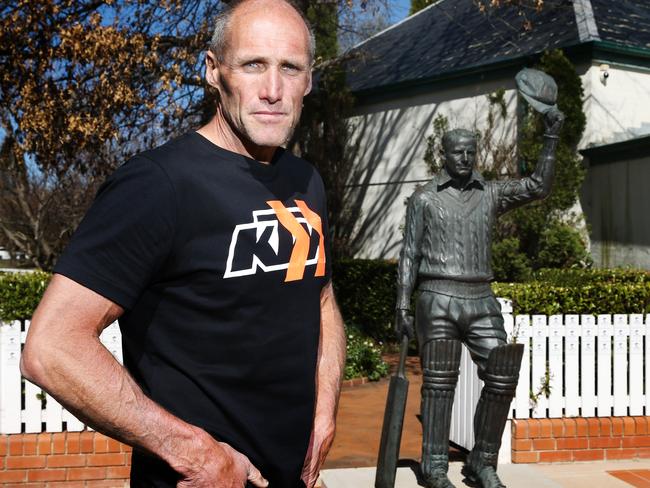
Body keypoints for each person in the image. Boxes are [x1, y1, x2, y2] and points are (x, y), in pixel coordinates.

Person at [20, 1, 346, 487]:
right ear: (214, 71)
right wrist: (197, 456)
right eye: (253, 65)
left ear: (309, 80)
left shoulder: (305, 181)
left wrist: (323, 414)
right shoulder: (159, 185)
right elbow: (52, 348)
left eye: (290, 68)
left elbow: (320, 299)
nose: (273, 90)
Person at [395, 107, 564, 488]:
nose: (466, 158)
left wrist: (550, 138)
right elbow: (409, 253)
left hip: (481, 297)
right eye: (459, 152)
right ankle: (435, 466)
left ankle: (482, 462)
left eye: (471, 152)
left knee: (502, 376)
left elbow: (538, 185)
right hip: (436, 296)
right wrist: (402, 304)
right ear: (445, 154)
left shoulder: (491, 193)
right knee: (439, 384)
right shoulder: (424, 199)